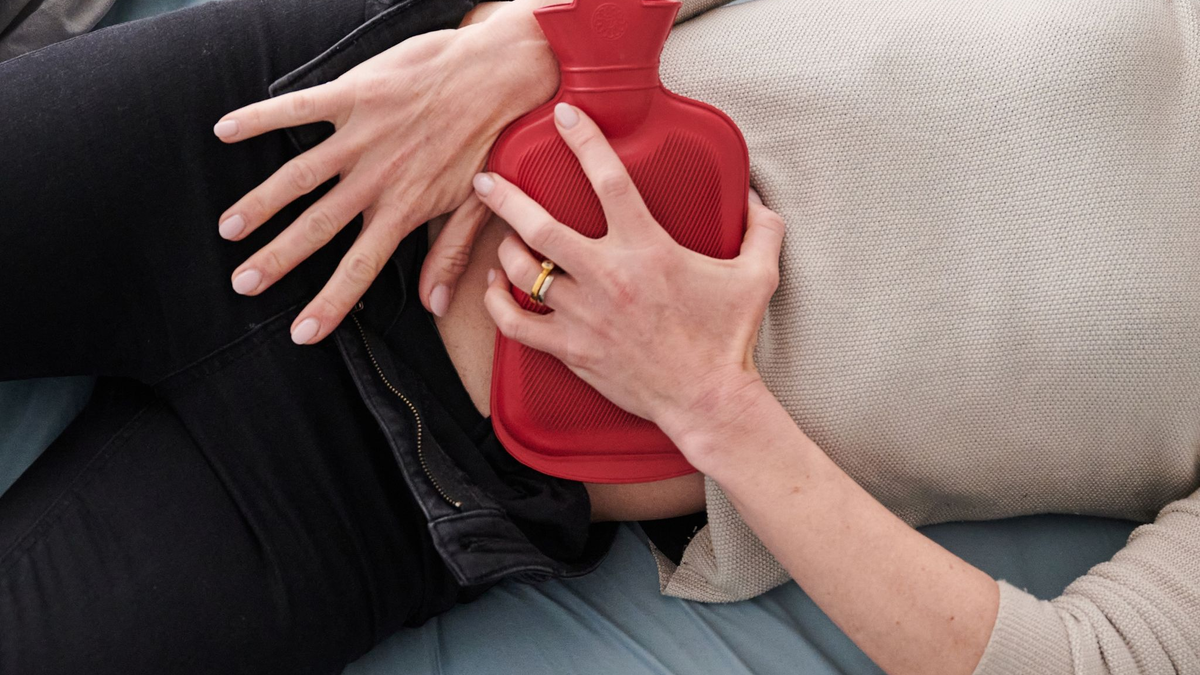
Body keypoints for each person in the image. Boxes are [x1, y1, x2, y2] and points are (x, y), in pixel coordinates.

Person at [4, 1, 1200, 675]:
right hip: (320, 137)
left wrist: (710, 403)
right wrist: (540, 35)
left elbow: (1081, 665)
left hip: (398, 494)